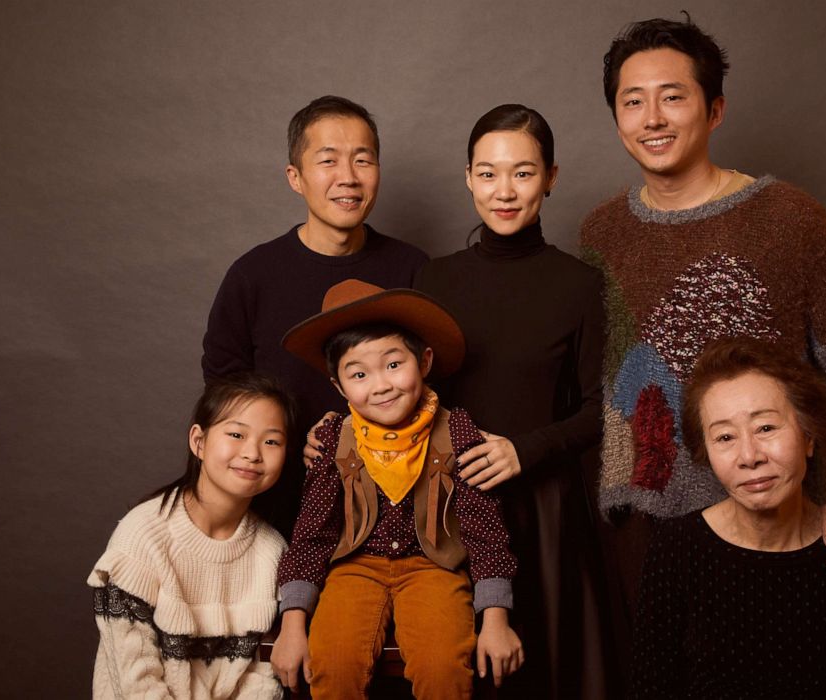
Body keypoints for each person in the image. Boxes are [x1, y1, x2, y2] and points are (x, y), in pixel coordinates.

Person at [579, 17, 826, 674]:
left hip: (786, 518)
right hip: (655, 527)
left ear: (715, 107)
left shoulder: (789, 217)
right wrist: (617, 496)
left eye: (673, 96)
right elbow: (610, 373)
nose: (652, 118)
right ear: (615, 117)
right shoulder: (601, 232)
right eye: (632, 101)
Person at [414, 104, 614, 699]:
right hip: (445, 502)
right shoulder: (433, 280)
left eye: (523, 173)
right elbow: (401, 392)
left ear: (551, 177)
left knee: (544, 677)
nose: (505, 191)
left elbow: (605, 406)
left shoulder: (581, 286)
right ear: (468, 178)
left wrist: (525, 451)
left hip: (544, 509)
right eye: (489, 173)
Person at [270, 279, 523, 699]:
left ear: (424, 361)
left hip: (434, 568)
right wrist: (291, 625)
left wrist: (496, 619)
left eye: (393, 365)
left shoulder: (457, 429)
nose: (382, 385)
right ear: (338, 386)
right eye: (359, 374)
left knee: (444, 669)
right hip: (354, 567)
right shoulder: (333, 437)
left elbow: (485, 531)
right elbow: (311, 535)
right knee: (332, 664)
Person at [202, 95, 428, 535]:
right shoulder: (253, 275)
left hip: (394, 509)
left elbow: (439, 384)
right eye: (328, 161)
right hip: (278, 507)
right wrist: (289, 438)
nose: (348, 178)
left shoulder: (415, 270)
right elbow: (225, 390)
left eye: (363, 161)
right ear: (296, 177)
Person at [632, 337, 826, 697]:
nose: (749, 456)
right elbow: (651, 689)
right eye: (725, 437)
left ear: (808, 437)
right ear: (707, 452)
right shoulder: (676, 548)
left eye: (766, 428)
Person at [87, 373, 294, 699]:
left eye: (272, 441)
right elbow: (135, 681)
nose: (253, 452)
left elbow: (263, 677)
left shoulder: (273, 551)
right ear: (199, 441)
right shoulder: (142, 536)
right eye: (237, 434)